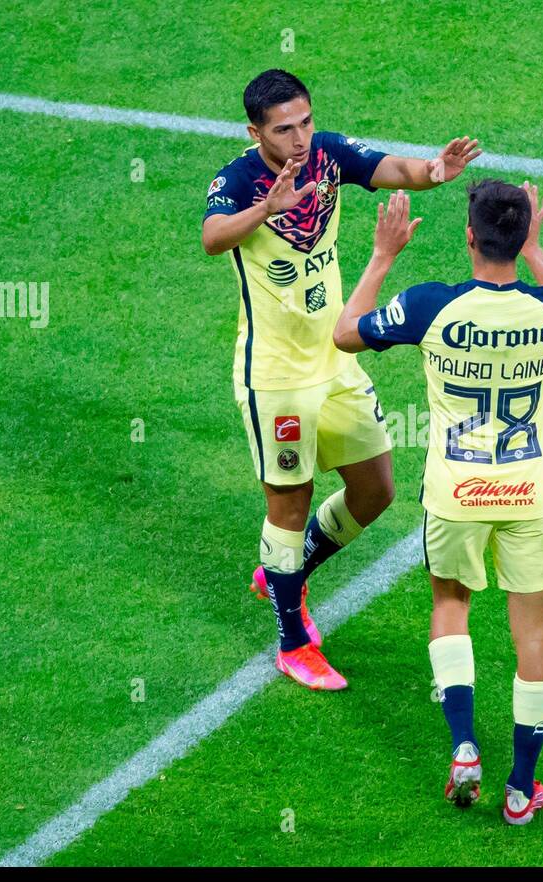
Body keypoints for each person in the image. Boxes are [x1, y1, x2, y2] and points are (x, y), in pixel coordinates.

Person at [202, 69, 481, 690]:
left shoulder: (325, 152)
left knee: (376, 488)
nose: (299, 138)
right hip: (275, 375)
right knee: (290, 502)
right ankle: (292, 640)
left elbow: (391, 168)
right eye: (284, 129)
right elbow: (211, 239)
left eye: (304, 121)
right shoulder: (238, 179)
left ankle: (284, 572)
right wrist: (264, 208)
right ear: (256, 132)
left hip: (334, 356)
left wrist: (435, 170)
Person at [333, 180, 543, 824]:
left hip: (456, 494)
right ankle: (520, 790)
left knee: (451, 605)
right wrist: (536, 248)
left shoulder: (430, 306)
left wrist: (383, 256)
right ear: (520, 231)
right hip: (530, 494)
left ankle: (464, 746)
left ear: (469, 237)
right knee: (533, 632)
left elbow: (344, 333)